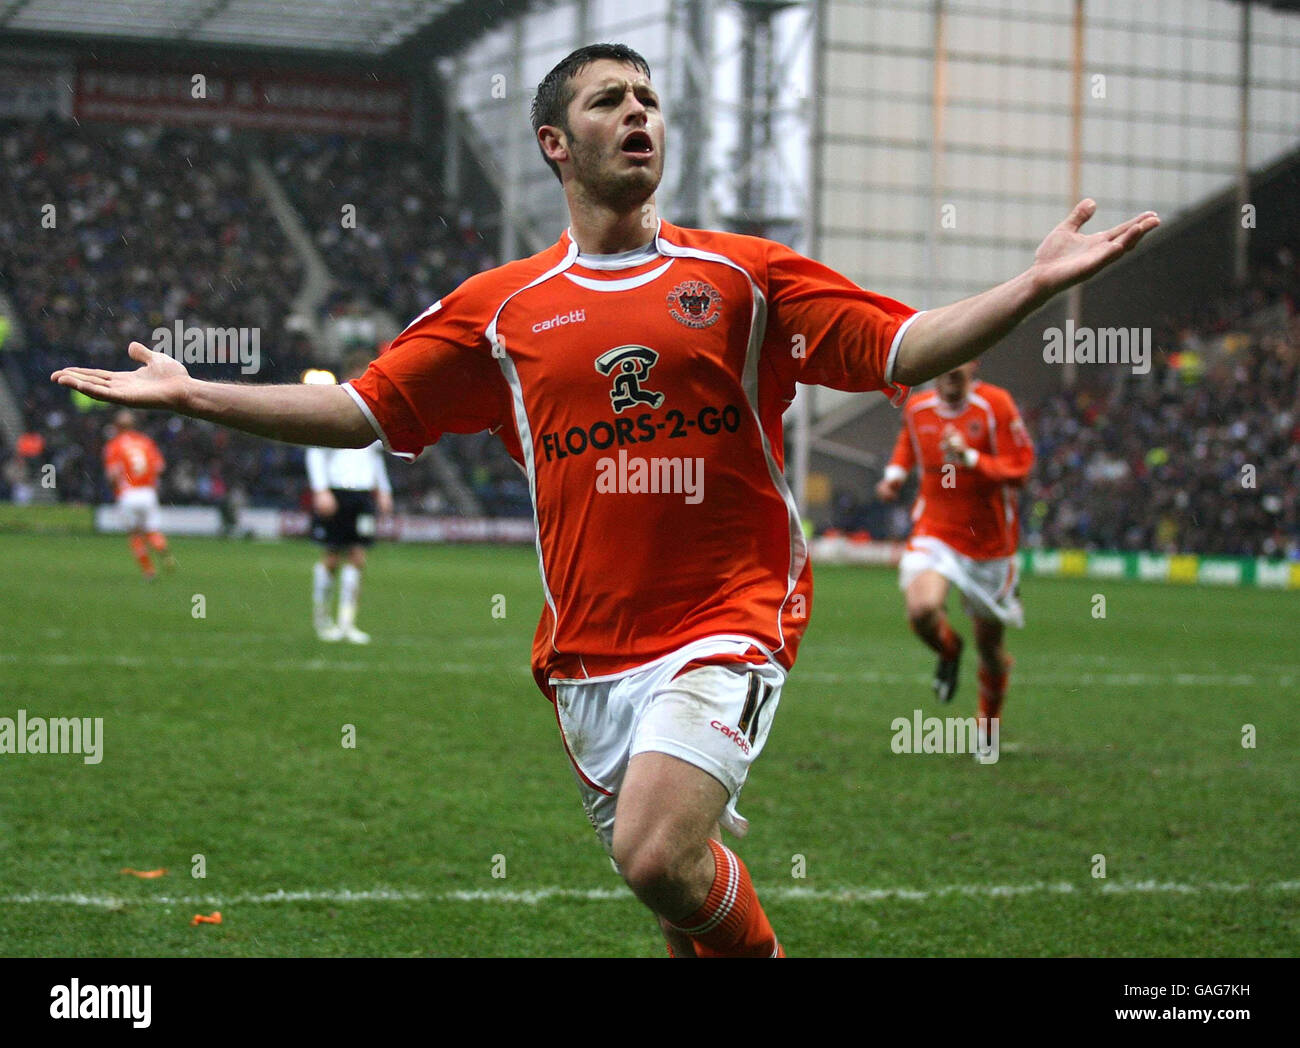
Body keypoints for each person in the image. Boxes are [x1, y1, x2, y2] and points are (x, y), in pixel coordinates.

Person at [51, 43, 1158, 957]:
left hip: (732, 611)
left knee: (653, 854)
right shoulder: (501, 310)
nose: (638, 115)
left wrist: (1030, 284)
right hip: (587, 653)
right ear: (555, 143)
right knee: (674, 898)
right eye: (606, 101)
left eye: (647, 100)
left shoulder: (743, 278)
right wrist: (192, 392)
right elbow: (361, 410)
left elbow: (905, 344)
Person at [875, 362, 1034, 742]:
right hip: (935, 531)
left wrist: (972, 459)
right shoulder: (918, 408)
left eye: (958, 364)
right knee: (922, 610)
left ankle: (987, 727)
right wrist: (895, 476)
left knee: (990, 645)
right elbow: (908, 446)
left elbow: (1021, 470)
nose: (950, 371)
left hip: (988, 543)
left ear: (973, 363)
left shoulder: (995, 405)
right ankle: (949, 650)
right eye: (943, 363)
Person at [306, 352, 394, 643]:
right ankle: (321, 620)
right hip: (337, 492)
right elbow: (316, 452)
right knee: (331, 557)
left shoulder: (374, 412)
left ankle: (346, 623)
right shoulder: (335, 409)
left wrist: (383, 490)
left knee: (357, 557)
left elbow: (376, 458)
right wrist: (321, 491)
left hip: (362, 495)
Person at [102, 409, 175, 580]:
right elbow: (160, 467)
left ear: (117, 426)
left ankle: (149, 571)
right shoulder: (146, 442)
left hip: (128, 494)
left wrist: (114, 489)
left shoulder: (114, 445)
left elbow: (112, 473)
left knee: (135, 534)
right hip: (148, 492)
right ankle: (161, 548)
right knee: (151, 530)